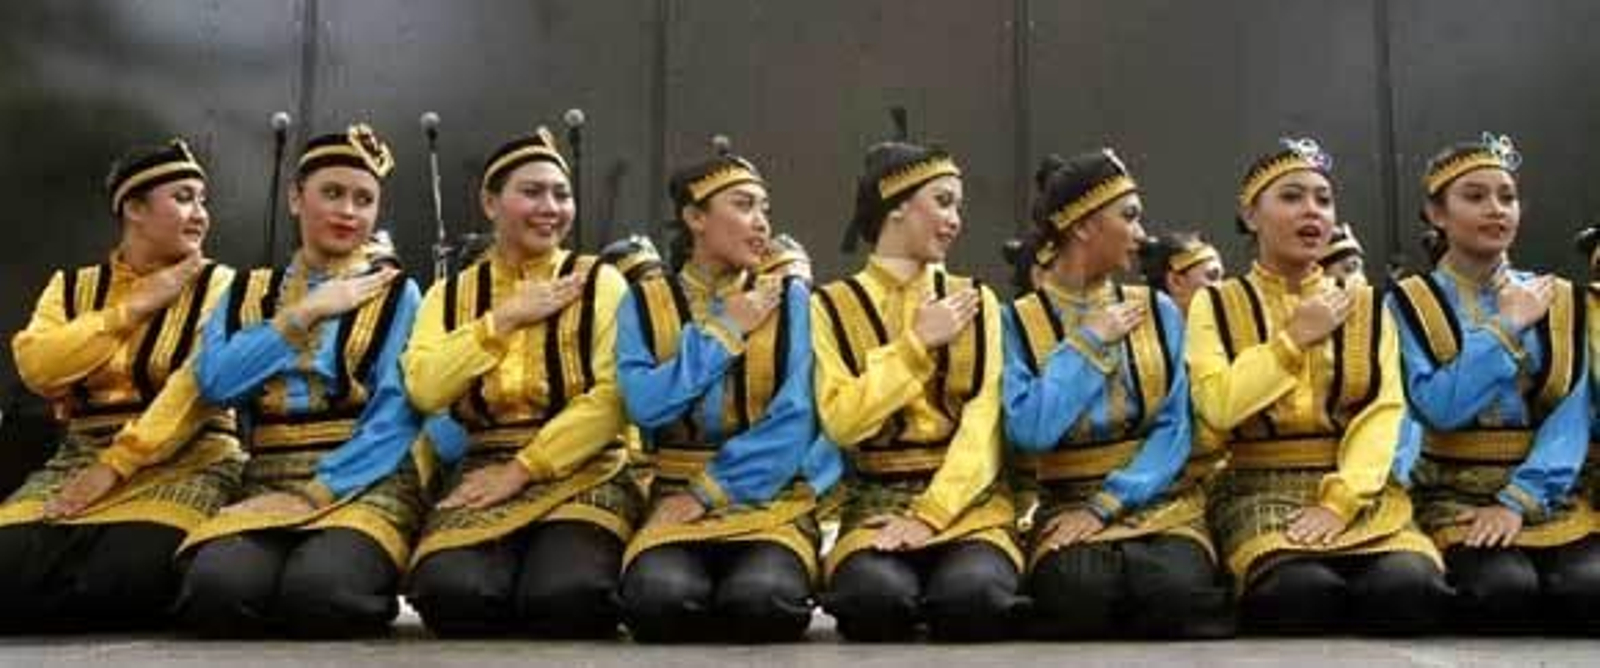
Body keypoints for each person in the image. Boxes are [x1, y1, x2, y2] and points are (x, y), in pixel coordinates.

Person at [1188, 136, 1448, 635]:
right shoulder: (1216, 303)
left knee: (1409, 590)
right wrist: (1292, 341)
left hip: (1358, 488)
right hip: (1255, 488)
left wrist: (1341, 501)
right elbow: (1218, 406)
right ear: (1250, 215)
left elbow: (1383, 411)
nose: (1312, 211)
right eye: (1291, 197)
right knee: (1301, 594)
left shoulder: (1366, 305)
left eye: (1323, 200)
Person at [175, 124, 426, 638]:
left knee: (321, 594)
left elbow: (397, 413)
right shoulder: (247, 290)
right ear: (295, 197)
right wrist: (305, 313)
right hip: (266, 476)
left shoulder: (398, 293)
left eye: (364, 199)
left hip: (366, 479)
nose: (348, 212)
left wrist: (320, 490)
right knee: (215, 592)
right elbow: (217, 384)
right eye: (332, 193)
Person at [401, 126, 636, 638]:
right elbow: (424, 388)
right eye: (531, 192)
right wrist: (501, 321)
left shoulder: (601, 282)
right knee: (452, 597)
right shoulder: (451, 293)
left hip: (583, 466)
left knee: (567, 598)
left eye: (561, 193)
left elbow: (613, 398)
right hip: (482, 467)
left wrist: (524, 468)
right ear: (490, 203)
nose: (550, 207)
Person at [0, 139, 240, 632]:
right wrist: (130, 308)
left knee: (126, 576)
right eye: (183, 198)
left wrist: (115, 466)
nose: (200, 214)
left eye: (203, 199)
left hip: (189, 458)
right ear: (134, 208)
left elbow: (193, 391)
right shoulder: (71, 287)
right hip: (76, 458)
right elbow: (40, 367)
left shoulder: (224, 286)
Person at [1391, 133, 1600, 633]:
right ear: (1437, 214)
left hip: (1547, 491)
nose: (1496, 209)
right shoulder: (1406, 303)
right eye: (1475, 196)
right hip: (1452, 491)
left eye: (1506, 197)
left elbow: (1571, 412)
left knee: (1587, 594)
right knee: (1503, 594)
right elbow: (1438, 407)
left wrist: (1518, 501)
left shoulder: (1561, 298)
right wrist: (1505, 328)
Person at [814, 136, 1021, 642]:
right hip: (875, 499)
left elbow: (984, 424)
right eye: (943, 202)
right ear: (897, 207)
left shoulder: (976, 300)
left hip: (967, 500)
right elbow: (841, 421)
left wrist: (930, 516)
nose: (955, 220)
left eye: (958, 207)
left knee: (974, 601)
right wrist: (915, 345)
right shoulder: (830, 305)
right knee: (873, 604)